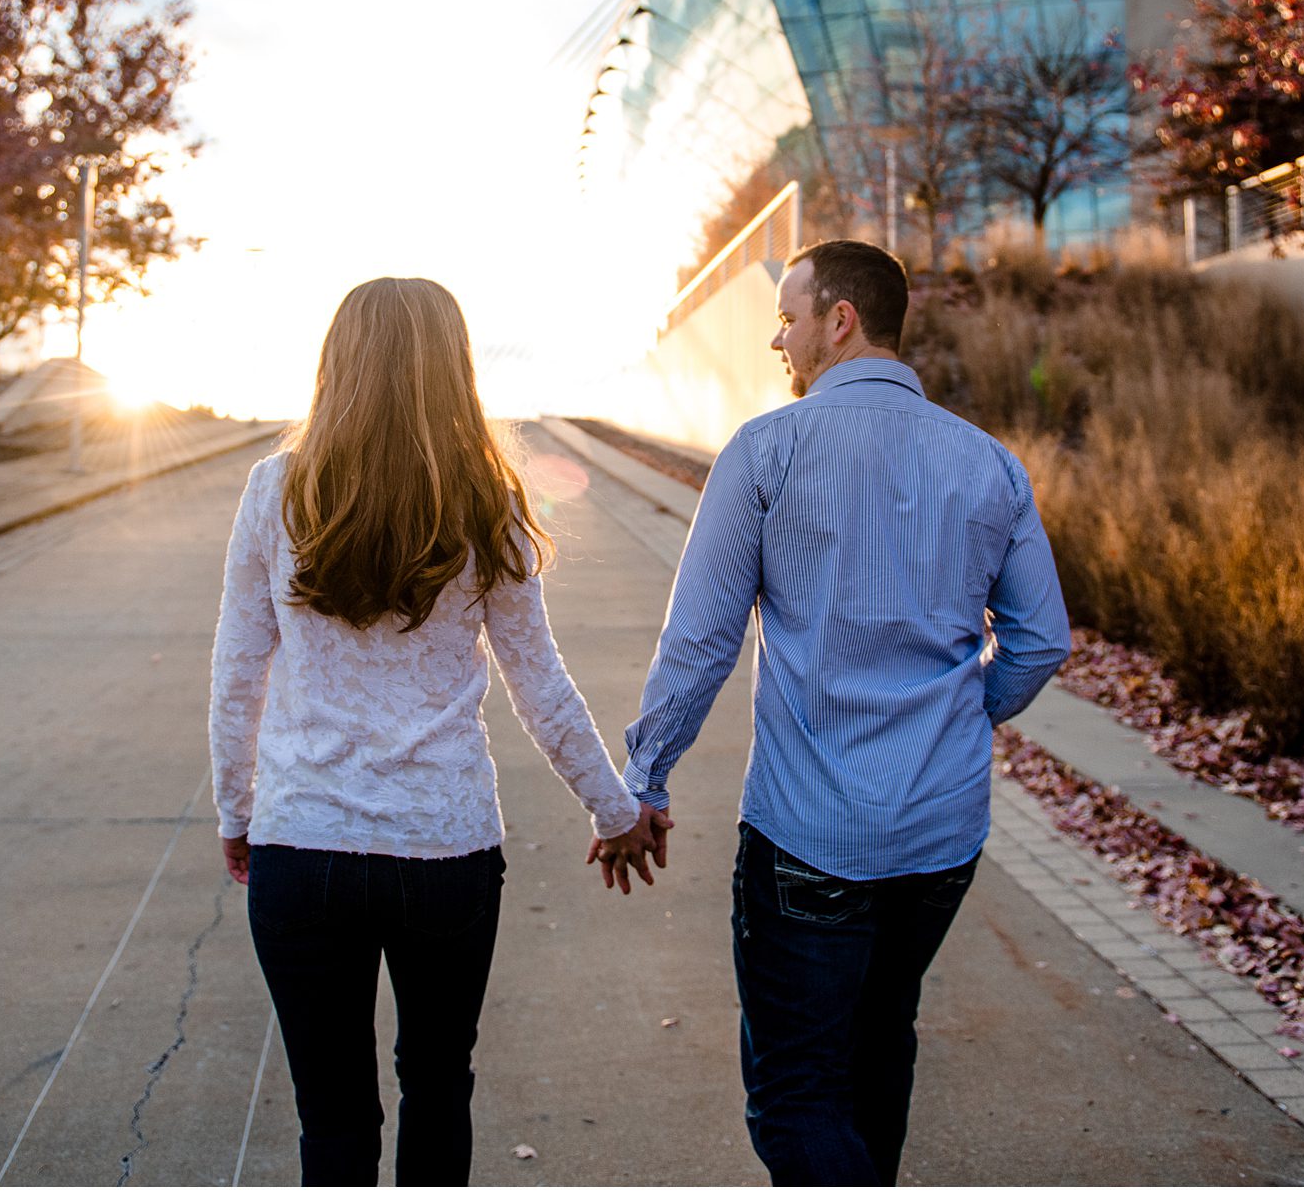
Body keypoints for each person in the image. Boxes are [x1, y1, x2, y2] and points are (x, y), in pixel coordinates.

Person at [619, 239, 1071, 1186]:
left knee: (795, 1093)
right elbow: (1039, 641)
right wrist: (956, 725)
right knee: (880, 1041)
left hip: (808, 837)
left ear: (840, 319)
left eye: (787, 317)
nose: (776, 339)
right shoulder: (989, 463)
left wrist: (644, 778)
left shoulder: (767, 451)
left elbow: (701, 643)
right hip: (941, 837)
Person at [208, 276, 665, 1187]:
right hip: (445, 850)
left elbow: (236, 675)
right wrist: (618, 811)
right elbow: (541, 682)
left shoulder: (275, 492)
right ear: (454, 373)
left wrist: (239, 809)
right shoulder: (483, 501)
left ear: (336, 365)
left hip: (304, 845)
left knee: (330, 1113)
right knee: (438, 1089)